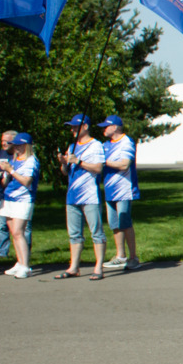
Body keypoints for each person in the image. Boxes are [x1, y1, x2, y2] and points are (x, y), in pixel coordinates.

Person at [56, 114, 107, 280]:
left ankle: (98, 267)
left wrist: (78, 161)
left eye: (75, 127)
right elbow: (66, 172)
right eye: (71, 127)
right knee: (74, 233)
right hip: (72, 195)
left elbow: (98, 168)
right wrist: (64, 163)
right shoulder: (72, 146)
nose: (72, 130)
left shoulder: (95, 145)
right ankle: (74, 267)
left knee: (96, 232)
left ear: (85, 127)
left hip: (90, 195)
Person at [99, 115, 141, 271]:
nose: (103, 129)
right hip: (110, 189)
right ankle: (120, 255)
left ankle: (133, 257)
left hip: (124, 189)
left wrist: (105, 162)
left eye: (106, 126)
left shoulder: (126, 142)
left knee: (125, 222)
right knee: (114, 224)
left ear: (115, 127)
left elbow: (125, 164)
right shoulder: (106, 145)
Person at [0, 132, 40, 278]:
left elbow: (26, 181)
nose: (17, 147)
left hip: (24, 200)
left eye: (20, 144)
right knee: (13, 233)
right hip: (10, 197)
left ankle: (25, 265)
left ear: (26, 145)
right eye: (15, 144)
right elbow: (7, 181)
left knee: (18, 232)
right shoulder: (15, 159)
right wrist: (6, 172)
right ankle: (19, 261)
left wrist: (10, 170)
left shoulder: (31, 160)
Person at [0, 130, 28, 259]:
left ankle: (24, 254)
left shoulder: (21, 157)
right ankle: (2, 253)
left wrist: (10, 171)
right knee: (3, 226)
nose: (4, 143)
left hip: (20, 197)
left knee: (23, 228)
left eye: (7, 141)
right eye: (2, 141)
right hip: (1, 195)